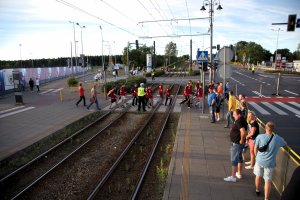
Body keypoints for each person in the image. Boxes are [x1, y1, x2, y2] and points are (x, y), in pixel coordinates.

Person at [254, 122, 286, 199]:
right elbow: (284, 143)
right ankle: (266, 198)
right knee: (267, 181)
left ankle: (257, 189)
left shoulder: (260, 136)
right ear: (273, 129)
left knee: (258, 176)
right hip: (270, 163)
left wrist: (256, 157)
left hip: (259, 160)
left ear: (265, 128)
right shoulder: (277, 138)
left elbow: (255, 148)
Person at [224, 109, 247, 182]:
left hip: (237, 143)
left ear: (239, 114)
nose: (233, 115)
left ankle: (233, 177)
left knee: (234, 160)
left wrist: (241, 140)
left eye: (234, 114)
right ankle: (239, 173)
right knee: (239, 158)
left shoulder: (239, 121)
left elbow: (243, 132)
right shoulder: (243, 119)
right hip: (239, 143)